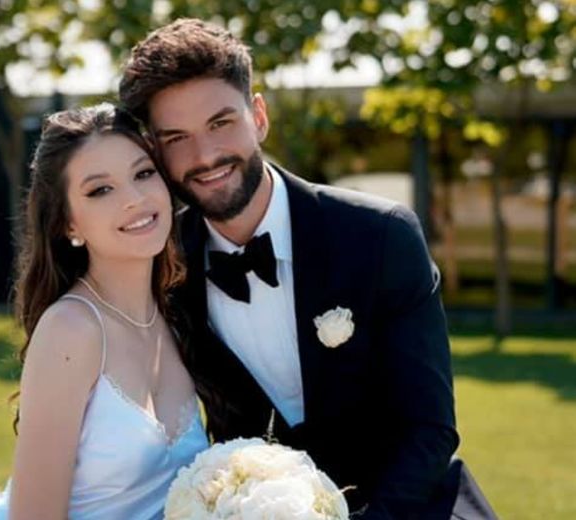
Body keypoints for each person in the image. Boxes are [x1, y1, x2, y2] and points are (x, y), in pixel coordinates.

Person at [119, 19, 470, 519]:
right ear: (155, 150)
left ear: (258, 117)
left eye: (221, 123)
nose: (205, 155)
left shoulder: (380, 236)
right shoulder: (160, 265)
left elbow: (429, 429)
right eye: (176, 138)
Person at [0, 103, 209, 520]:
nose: (134, 199)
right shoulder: (71, 330)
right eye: (101, 190)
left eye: (143, 174)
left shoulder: (174, 316)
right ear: (68, 224)